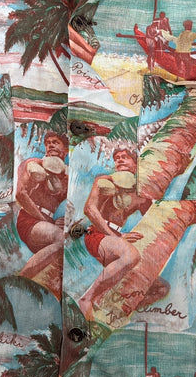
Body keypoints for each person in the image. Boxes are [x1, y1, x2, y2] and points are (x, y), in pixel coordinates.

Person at [78, 146, 168, 319]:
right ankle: (87, 298)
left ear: (135, 164)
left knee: (161, 288)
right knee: (130, 256)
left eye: (124, 157)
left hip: (117, 241)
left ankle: (111, 308)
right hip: (98, 234)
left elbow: (154, 218)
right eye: (116, 157)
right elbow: (89, 209)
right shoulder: (105, 181)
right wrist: (116, 236)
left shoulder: (140, 193)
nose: (119, 159)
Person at [15, 131, 68, 285]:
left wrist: (64, 221)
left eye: (55, 142)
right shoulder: (35, 164)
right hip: (29, 220)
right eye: (48, 143)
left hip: (47, 223)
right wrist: (43, 218)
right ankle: (20, 281)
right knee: (61, 239)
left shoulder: (67, 176)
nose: (50, 145)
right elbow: (20, 194)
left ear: (65, 150)